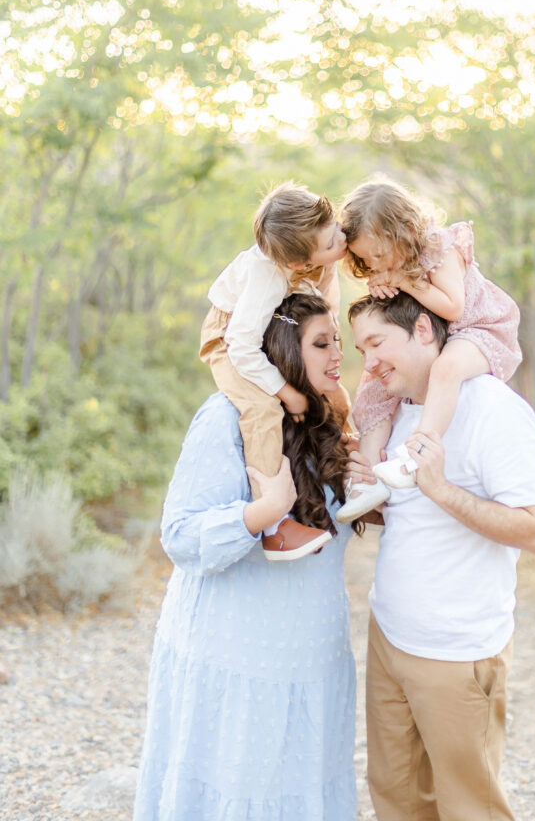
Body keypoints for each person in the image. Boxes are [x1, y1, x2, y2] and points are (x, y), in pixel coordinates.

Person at [134, 294, 360, 821]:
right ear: (282, 348)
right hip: (236, 655)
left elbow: (333, 535)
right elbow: (181, 534)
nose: (336, 357)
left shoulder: (330, 420)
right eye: (321, 344)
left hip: (310, 657)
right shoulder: (227, 417)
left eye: (339, 344)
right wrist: (264, 512)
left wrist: (364, 488)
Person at [347, 291, 535, 821]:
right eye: (360, 348)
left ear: (420, 329)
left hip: (458, 651)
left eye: (376, 343)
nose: (368, 362)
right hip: (389, 637)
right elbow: (408, 524)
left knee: (470, 807)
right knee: (395, 795)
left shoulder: (494, 409)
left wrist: (440, 489)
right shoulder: (393, 412)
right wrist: (365, 495)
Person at [336, 178, 522, 524]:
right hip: (441, 333)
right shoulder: (390, 262)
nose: (375, 265)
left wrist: (403, 282)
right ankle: (367, 480)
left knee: (445, 370)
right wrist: (383, 287)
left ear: (406, 230)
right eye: (366, 259)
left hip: (479, 327)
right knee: (373, 389)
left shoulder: (441, 247)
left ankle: (417, 452)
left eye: (378, 254)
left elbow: (453, 307)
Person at [199, 181, 349, 558]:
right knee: (262, 410)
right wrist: (286, 391)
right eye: (332, 244)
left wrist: (329, 264)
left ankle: (353, 465)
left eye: (337, 229)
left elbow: (324, 307)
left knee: (331, 391)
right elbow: (242, 346)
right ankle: (274, 525)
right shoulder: (266, 277)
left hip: (260, 331)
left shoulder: (306, 254)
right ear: (298, 262)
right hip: (229, 339)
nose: (341, 241)